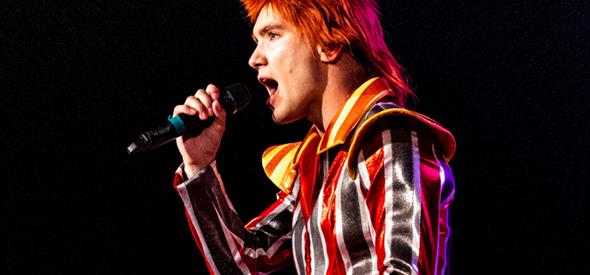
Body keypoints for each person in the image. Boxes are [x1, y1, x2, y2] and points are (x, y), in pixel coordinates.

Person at [171, 0, 456, 274]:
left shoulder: (390, 137)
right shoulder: (311, 165)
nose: (254, 58)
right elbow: (248, 262)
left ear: (329, 43)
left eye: (272, 34)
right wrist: (199, 166)